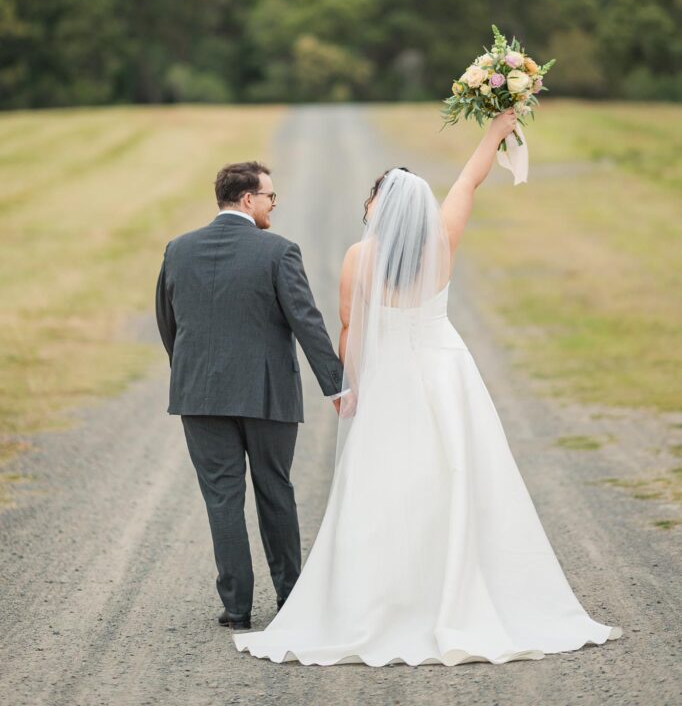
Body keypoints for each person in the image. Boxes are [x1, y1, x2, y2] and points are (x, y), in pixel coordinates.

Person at [234, 112, 622, 666]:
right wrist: (494, 132)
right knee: (461, 477)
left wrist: (351, 388)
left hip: (392, 382)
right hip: (447, 376)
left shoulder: (358, 257)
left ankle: (386, 598)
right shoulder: (442, 241)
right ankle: (465, 589)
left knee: (387, 486)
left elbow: (350, 329)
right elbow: (467, 182)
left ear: (378, 207)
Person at [155, 160, 345, 632]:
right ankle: (290, 599)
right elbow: (307, 321)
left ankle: (237, 608)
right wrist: (338, 384)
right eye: (270, 197)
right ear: (247, 200)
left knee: (221, 499)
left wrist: (192, 372)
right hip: (266, 394)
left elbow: (168, 323)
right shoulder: (278, 252)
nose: (273, 205)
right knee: (274, 492)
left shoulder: (178, 250)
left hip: (199, 396)